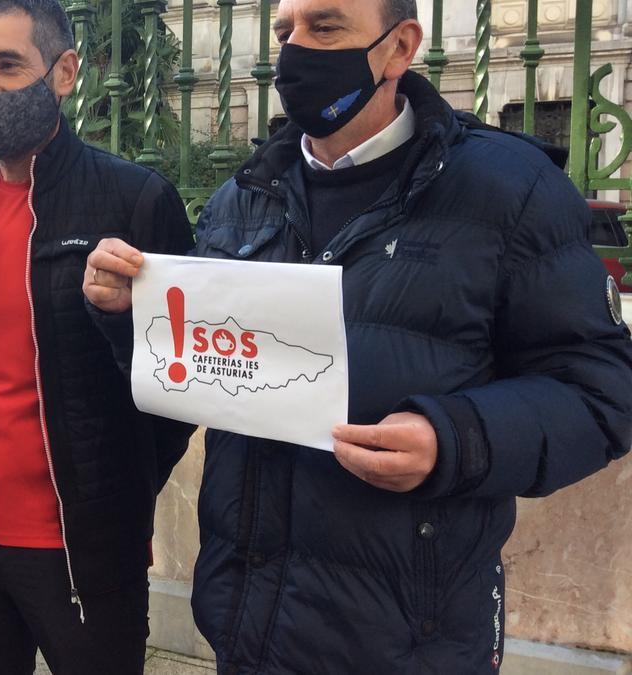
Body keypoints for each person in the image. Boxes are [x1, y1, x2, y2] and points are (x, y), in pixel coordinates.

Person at [83, 0, 632, 671]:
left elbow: (602, 392)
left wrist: (454, 438)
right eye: (285, 31)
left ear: (400, 48)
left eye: (326, 26)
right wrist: (127, 313)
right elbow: (200, 373)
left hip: (405, 640)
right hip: (249, 625)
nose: (294, 51)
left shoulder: (509, 192)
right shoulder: (245, 196)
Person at [0, 0, 196, 672]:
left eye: (8, 64)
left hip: (83, 554)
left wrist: (118, 494)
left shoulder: (134, 202)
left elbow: (178, 383)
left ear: (65, 72)